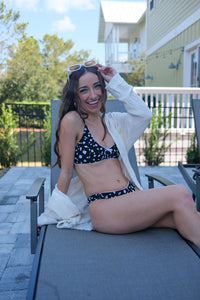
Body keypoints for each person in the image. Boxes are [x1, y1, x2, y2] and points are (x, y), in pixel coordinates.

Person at [53, 60, 200, 249]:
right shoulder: (72, 121)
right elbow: (65, 172)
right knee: (179, 193)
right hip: (106, 207)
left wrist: (116, 80)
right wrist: (53, 212)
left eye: (97, 86)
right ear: (74, 95)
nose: (93, 95)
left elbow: (144, 114)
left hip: (131, 199)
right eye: (84, 90)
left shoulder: (113, 122)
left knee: (187, 215)